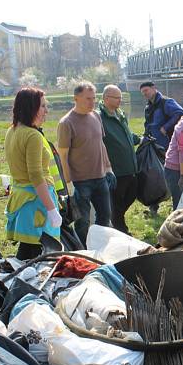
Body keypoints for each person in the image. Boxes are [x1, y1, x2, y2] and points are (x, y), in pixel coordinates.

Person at [4, 87, 61, 260]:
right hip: (36, 203)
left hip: (22, 200)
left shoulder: (12, 131)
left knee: (27, 251)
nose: (46, 111)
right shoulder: (33, 135)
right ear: (31, 108)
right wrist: (51, 209)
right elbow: (36, 175)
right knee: (39, 255)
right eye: (43, 106)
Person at [57, 81, 114, 244]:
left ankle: (101, 245)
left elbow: (101, 144)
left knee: (105, 215)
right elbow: (63, 154)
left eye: (94, 98)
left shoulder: (96, 116)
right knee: (82, 222)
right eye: (88, 99)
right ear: (76, 98)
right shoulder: (66, 123)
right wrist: (69, 183)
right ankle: (84, 249)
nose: (92, 102)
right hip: (80, 182)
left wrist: (108, 167)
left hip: (100, 177)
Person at [99, 85, 140, 235]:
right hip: (116, 169)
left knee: (133, 193)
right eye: (117, 98)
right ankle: (120, 229)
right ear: (106, 98)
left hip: (130, 167)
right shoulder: (99, 117)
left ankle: (117, 219)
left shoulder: (120, 114)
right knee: (116, 201)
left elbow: (126, 133)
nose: (120, 101)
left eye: (121, 98)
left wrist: (138, 139)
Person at [141, 81, 183, 216]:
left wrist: (166, 127)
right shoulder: (148, 107)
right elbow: (147, 124)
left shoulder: (166, 102)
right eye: (143, 92)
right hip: (153, 145)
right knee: (153, 176)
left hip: (167, 146)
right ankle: (154, 205)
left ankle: (179, 206)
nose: (145, 94)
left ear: (154, 89)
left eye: (147, 90)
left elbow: (180, 113)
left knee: (171, 176)